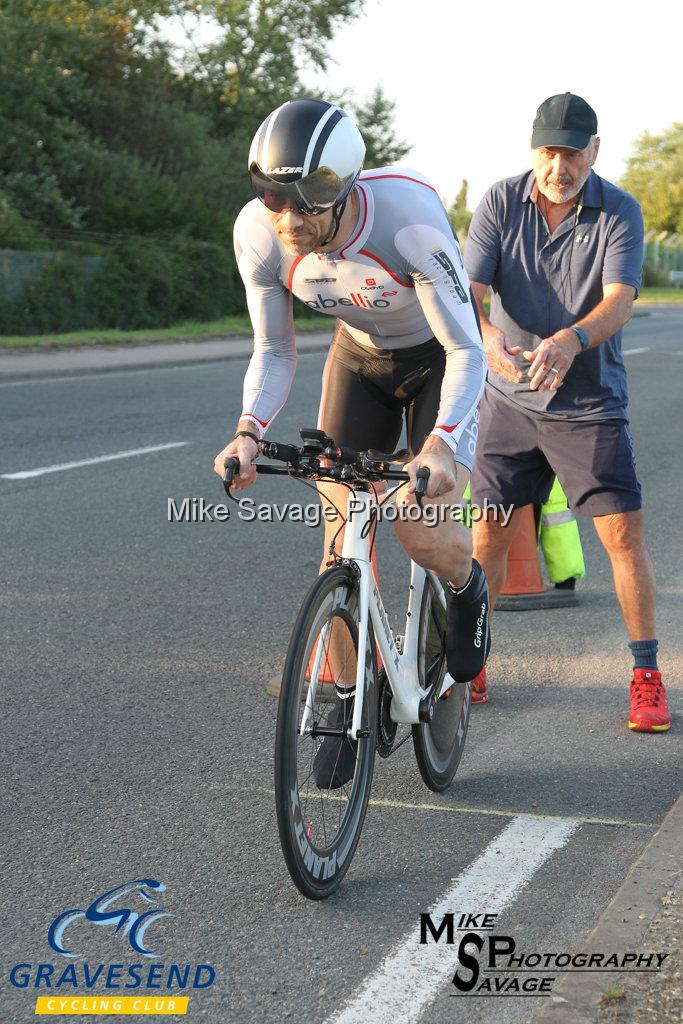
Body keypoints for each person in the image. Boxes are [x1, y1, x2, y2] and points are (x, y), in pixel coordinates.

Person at [214, 98, 491, 786]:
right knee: (340, 537)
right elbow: (274, 348)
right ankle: (343, 702)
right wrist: (249, 431)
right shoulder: (258, 235)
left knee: (419, 529)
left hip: (439, 361)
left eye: (303, 202)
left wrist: (442, 444)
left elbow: (467, 347)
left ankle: (466, 585)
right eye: (272, 196)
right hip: (359, 362)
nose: (287, 219)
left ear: (341, 189)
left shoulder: (407, 221)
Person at [464, 92, 670, 732]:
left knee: (621, 537)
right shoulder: (500, 200)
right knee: (489, 533)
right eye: (550, 151)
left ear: (594, 151)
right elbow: (468, 292)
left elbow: (619, 301)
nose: (561, 165)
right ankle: (470, 665)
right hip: (508, 402)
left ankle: (646, 675)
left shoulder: (620, 211)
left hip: (587, 406)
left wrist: (571, 339)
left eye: (574, 152)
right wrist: (489, 343)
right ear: (535, 150)